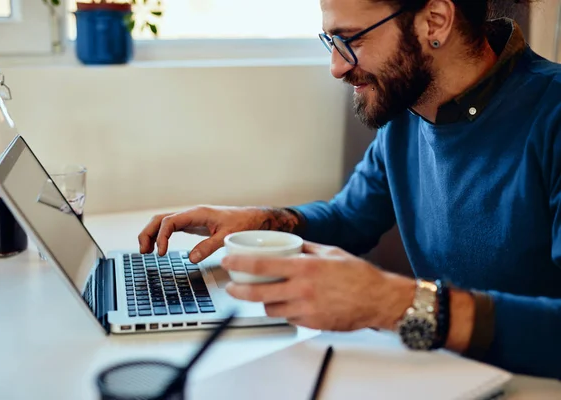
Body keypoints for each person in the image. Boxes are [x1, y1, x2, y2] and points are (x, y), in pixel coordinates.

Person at [139, 0, 561, 379]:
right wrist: (260, 221)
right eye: (331, 41)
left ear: (435, 21)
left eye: (350, 39)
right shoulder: (407, 106)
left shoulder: (552, 115)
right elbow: (349, 218)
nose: (337, 67)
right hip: (447, 376)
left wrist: (393, 302)